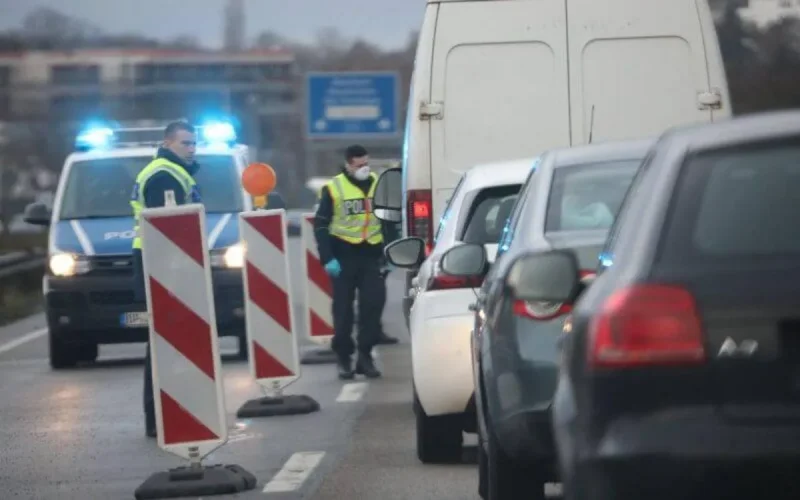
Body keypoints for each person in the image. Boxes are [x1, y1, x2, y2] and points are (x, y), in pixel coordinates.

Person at [130, 120, 202, 438]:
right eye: (185, 143)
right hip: (160, 263)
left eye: (194, 143)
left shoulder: (173, 171)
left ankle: (164, 412)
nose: (192, 148)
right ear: (167, 143)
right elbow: (168, 229)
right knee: (163, 342)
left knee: (167, 340)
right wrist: (181, 270)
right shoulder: (164, 175)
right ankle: (158, 415)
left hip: (161, 262)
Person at [313, 144, 398, 380]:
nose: (364, 169)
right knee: (343, 312)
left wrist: (391, 253)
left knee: (373, 306)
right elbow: (321, 225)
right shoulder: (334, 188)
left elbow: (389, 221)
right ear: (348, 165)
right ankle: (343, 357)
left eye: (366, 164)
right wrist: (327, 257)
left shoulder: (378, 184)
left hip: (371, 255)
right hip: (344, 256)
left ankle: (365, 356)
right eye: (359, 165)